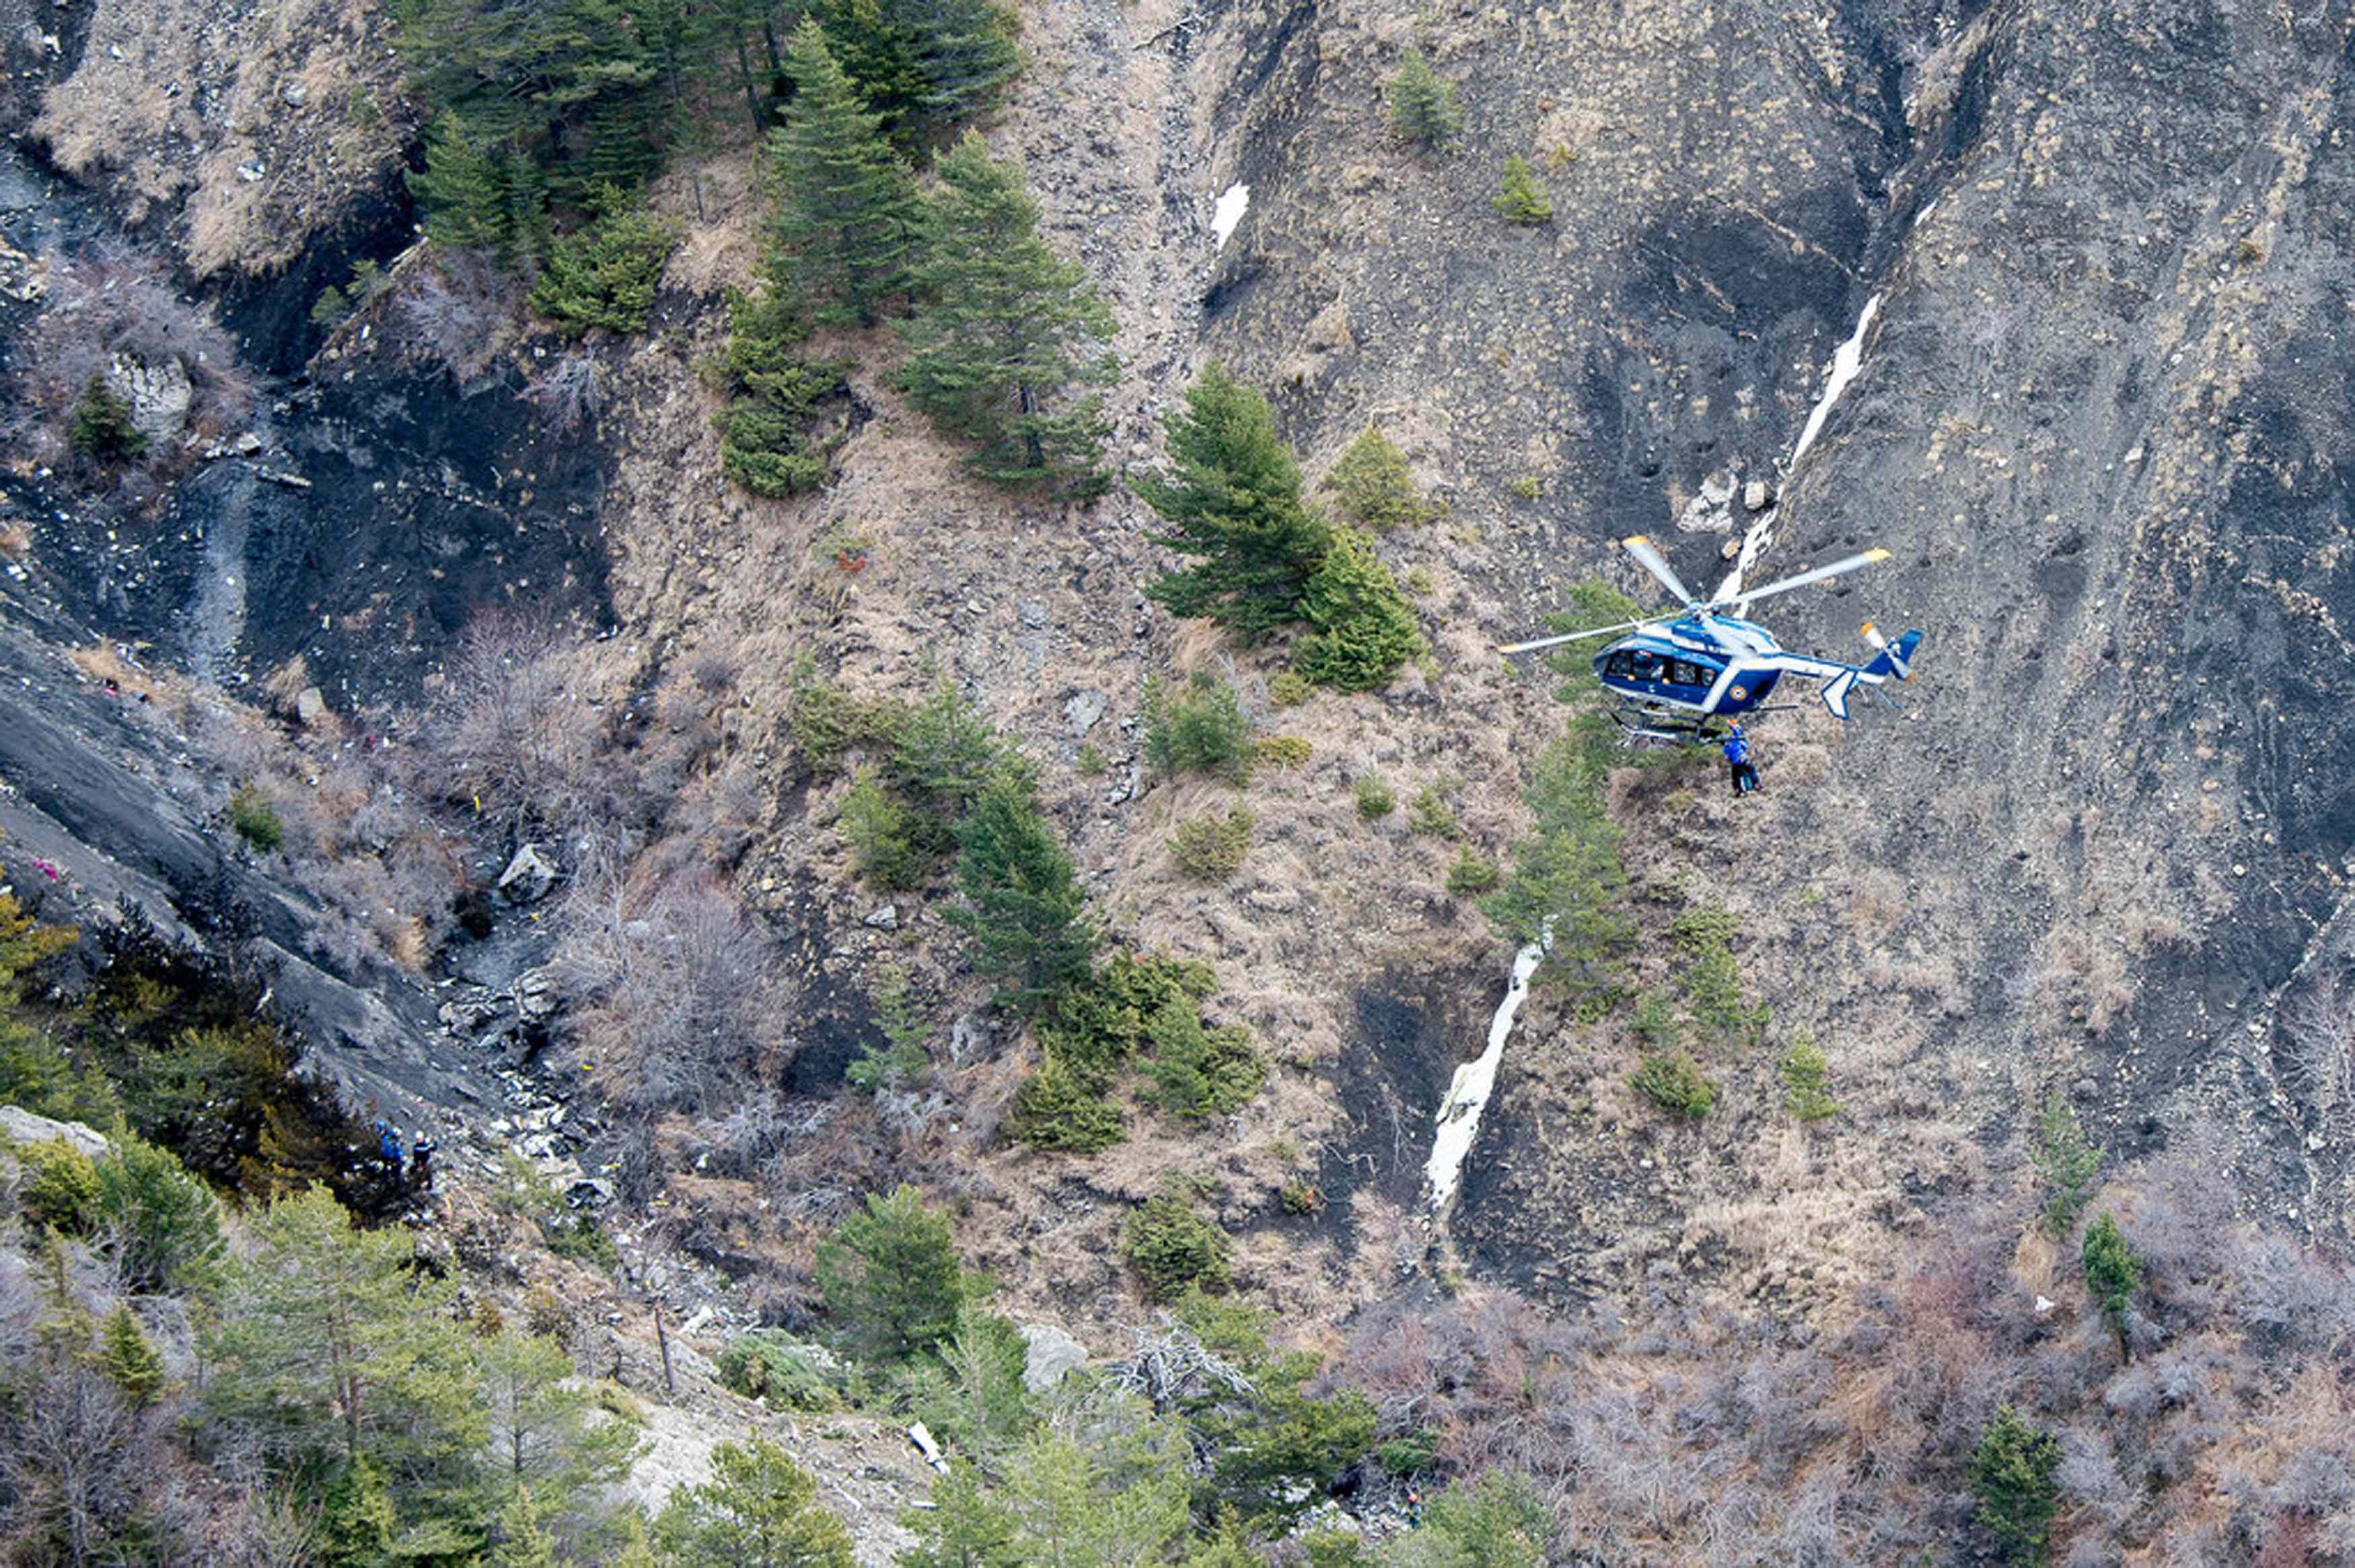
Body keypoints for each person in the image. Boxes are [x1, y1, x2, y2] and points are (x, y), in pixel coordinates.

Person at [1723, 722, 1760, 796]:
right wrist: (1731, 725)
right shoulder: (1738, 739)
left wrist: (1730, 759)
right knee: (1751, 771)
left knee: (1736, 777)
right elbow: (1745, 747)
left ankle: (1739, 790)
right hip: (1744, 759)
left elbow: (1727, 757)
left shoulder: (1727, 745)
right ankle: (1756, 784)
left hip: (1737, 762)